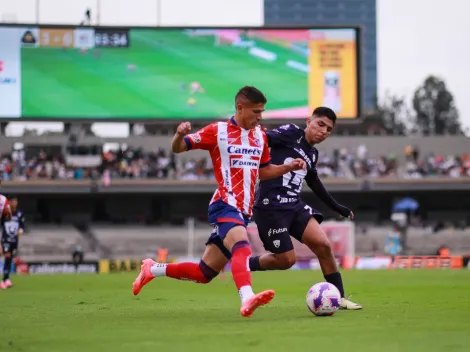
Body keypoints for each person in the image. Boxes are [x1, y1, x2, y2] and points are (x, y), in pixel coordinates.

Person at [132, 86, 306, 318]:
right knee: (242, 246)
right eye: (256, 111)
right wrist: (178, 135)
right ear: (240, 108)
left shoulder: (260, 136)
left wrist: (287, 167)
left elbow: (262, 171)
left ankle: (152, 269)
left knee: (204, 273)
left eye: (262, 111)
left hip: (243, 210)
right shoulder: (218, 131)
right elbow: (179, 147)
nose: (260, 117)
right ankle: (247, 297)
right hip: (224, 203)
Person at [248, 107, 362, 310]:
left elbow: (315, 183)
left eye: (328, 129)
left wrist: (338, 207)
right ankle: (246, 264)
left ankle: (339, 297)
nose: (323, 131)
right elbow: (263, 139)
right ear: (309, 121)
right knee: (286, 261)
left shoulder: (312, 153)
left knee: (323, 246)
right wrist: (257, 135)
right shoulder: (291, 132)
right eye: (320, 124)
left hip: (294, 205)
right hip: (270, 207)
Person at [1, 195, 22, 289]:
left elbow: (22, 225)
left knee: (10, 259)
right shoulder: (5, 213)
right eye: (12, 201)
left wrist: (21, 230)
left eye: (15, 201)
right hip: (6, 239)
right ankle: (4, 280)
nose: (14, 203)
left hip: (14, 239)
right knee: (7, 256)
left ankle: (6, 279)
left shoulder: (19, 213)